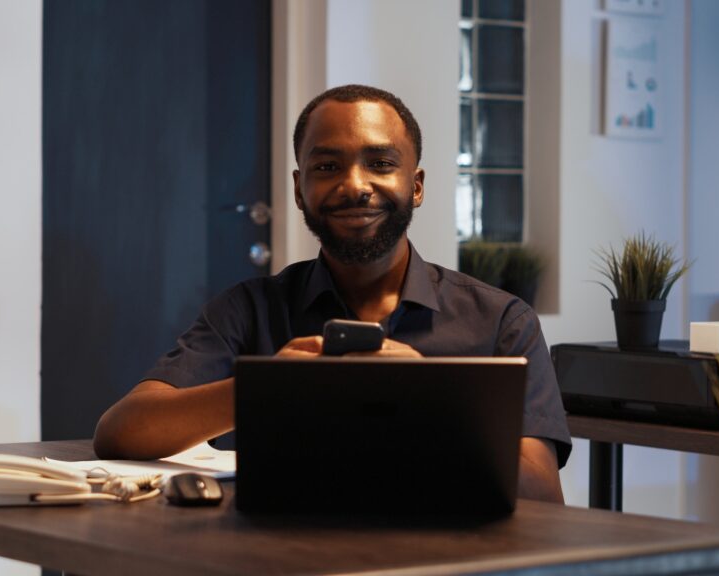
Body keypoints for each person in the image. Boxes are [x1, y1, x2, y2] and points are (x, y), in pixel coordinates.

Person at [94, 84, 571, 503]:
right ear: (300, 190)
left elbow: (543, 493)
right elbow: (121, 433)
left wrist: (427, 402)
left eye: (381, 163)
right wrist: (270, 390)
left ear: (417, 185)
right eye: (327, 166)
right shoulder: (250, 309)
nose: (354, 185)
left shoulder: (500, 321)